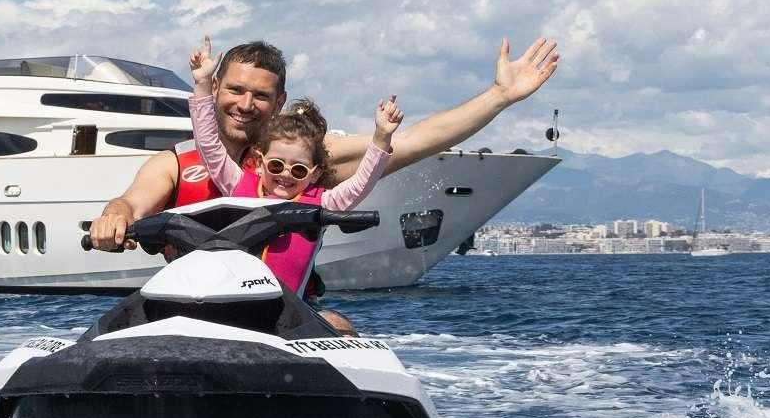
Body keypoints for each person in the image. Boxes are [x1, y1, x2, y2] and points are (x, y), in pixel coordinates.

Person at [89, 34, 559, 250]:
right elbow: (130, 203)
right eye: (235, 90)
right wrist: (114, 218)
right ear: (214, 90)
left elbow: (417, 141)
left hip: (277, 312)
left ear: (280, 103)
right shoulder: (177, 164)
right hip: (190, 308)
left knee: (340, 329)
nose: (245, 104)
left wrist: (500, 96)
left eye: (261, 95)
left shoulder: (307, 164)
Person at [188, 36, 402, 294]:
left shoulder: (322, 204)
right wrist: (201, 84)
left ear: (315, 174)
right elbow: (209, 144)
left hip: (285, 312)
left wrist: (381, 137)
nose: (286, 175)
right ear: (259, 163)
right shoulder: (237, 184)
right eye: (277, 165)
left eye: (298, 169)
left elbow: (360, 185)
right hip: (231, 302)